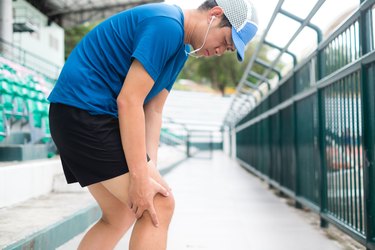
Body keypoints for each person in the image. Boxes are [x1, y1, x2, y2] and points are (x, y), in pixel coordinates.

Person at [48, 0, 258, 249]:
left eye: (229, 49)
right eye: (226, 40)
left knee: (122, 214)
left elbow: (153, 110)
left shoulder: (181, 50)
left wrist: (150, 172)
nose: (222, 50)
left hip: (83, 114)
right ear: (215, 14)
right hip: (83, 112)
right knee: (158, 204)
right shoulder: (167, 24)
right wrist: (139, 177)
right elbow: (129, 101)